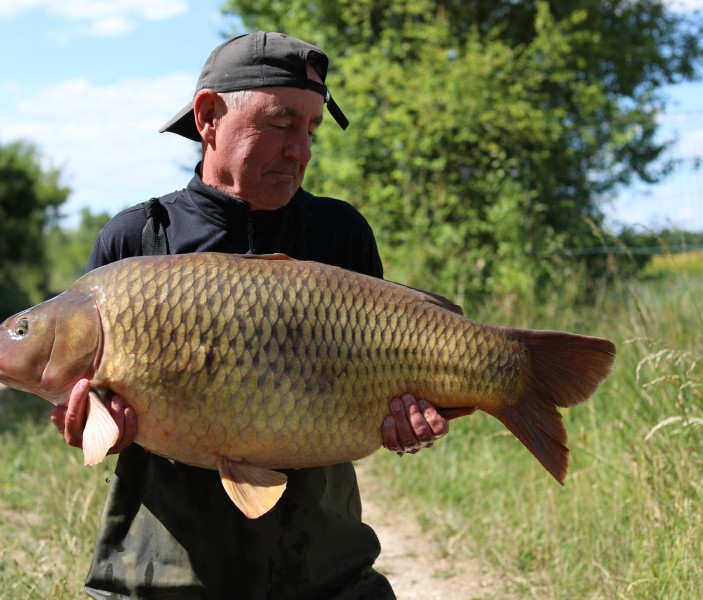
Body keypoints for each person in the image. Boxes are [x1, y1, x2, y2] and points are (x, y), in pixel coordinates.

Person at [51, 31, 457, 599]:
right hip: (162, 572)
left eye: (311, 129)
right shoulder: (137, 242)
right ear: (208, 116)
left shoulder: (339, 234)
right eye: (281, 123)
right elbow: (91, 414)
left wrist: (407, 424)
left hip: (321, 567)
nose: (303, 150)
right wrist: (98, 429)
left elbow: (390, 395)